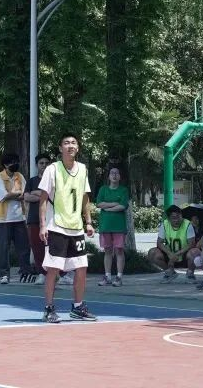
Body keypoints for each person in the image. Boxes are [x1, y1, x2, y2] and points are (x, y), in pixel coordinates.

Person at [39, 132, 97, 322]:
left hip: (76, 228)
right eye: (66, 143)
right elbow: (43, 199)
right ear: (60, 148)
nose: (70, 145)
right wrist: (42, 225)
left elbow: (85, 197)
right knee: (53, 269)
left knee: (81, 268)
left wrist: (88, 222)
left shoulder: (83, 169)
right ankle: (49, 308)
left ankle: (78, 307)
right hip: (56, 226)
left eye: (73, 142)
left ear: (77, 147)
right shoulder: (52, 169)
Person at [0, 152, 31, 283]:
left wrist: (14, 194)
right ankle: (4, 274)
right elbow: (3, 196)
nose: (15, 164)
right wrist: (17, 194)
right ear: (5, 165)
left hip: (20, 217)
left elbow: (25, 194)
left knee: (24, 247)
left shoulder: (19, 176)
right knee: (3, 248)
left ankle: (25, 272)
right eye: (11, 162)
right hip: (3, 219)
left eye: (16, 161)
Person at [96, 165, 130, 287]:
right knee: (107, 251)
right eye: (112, 173)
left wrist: (108, 208)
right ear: (109, 176)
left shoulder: (123, 190)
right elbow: (99, 204)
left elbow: (123, 206)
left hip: (119, 226)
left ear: (120, 176)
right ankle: (107, 276)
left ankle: (119, 277)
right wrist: (114, 203)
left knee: (119, 251)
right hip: (105, 226)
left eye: (117, 173)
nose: (114, 175)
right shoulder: (103, 189)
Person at [148, 204, 196, 282]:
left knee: (195, 252)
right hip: (169, 255)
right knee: (152, 252)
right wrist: (169, 254)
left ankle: (190, 274)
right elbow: (159, 242)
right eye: (173, 218)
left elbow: (192, 243)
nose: (176, 220)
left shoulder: (187, 224)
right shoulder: (165, 224)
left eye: (178, 217)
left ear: (181, 216)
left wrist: (177, 254)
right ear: (169, 218)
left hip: (184, 255)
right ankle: (169, 272)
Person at [22, 154, 52, 279]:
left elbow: (53, 197)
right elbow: (26, 197)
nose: (44, 165)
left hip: (50, 219)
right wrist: (43, 195)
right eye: (41, 163)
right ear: (37, 165)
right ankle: (42, 273)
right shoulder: (31, 181)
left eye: (46, 163)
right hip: (34, 219)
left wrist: (36, 192)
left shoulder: (54, 181)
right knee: (37, 248)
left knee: (51, 247)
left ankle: (56, 273)